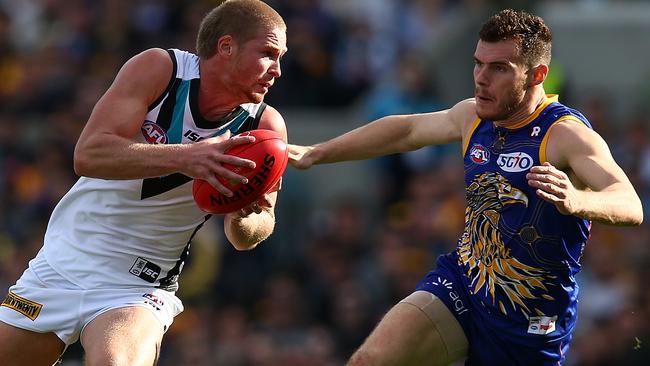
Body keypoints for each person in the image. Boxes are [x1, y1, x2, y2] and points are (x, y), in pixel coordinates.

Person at [289, 9, 643, 366]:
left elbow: (630, 204)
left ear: (537, 75)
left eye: (499, 68)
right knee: (370, 361)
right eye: (478, 64)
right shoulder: (472, 116)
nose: (481, 79)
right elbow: (405, 131)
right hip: (464, 285)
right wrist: (317, 152)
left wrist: (577, 199)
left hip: (530, 323)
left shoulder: (564, 135)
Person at [0, 0, 288, 365]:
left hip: (139, 284)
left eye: (280, 58)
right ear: (227, 47)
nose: (277, 70)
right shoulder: (160, 68)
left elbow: (248, 234)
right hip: (64, 262)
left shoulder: (265, 129)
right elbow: (88, 154)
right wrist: (188, 157)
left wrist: (246, 213)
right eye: (267, 54)